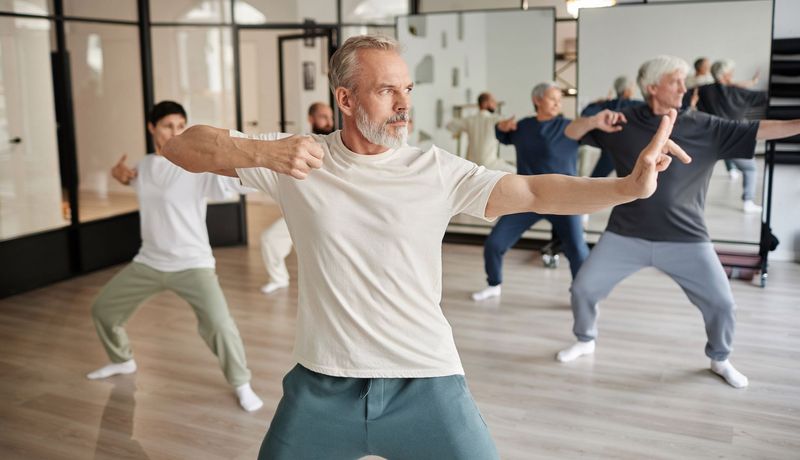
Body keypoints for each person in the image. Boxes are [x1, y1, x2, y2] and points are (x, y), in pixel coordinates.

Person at [162, 35, 690, 459]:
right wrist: (264, 150)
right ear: (345, 99)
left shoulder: (435, 171)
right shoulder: (296, 159)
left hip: (426, 379)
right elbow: (180, 146)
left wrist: (625, 188)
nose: (404, 105)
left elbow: (532, 190)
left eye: (408, 90)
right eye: (387, 90)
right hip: (321, 382)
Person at [557, 55, 800, 389]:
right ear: (652, 87)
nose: (684, 88)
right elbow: (570, 132)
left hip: (686, 237)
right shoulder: (622, 121)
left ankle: (719, 358)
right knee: (583, 288)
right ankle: (585, 339)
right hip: (625, 233)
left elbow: (758, 130)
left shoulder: (706, 126)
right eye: (676, 81)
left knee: (722, 302)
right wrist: (593, 121)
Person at [86, 101, 263, 412]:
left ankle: (241, 383)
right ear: (152, 127)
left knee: (220, 325)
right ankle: (122, 360)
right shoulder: (145, 165)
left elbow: (234, 182)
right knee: (104, 310)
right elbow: (134, 178)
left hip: (192, 263)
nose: (176, 132)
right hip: (150, 262)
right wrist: (121, 176)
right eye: (168, 125)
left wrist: (262, 163)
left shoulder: (196, 167)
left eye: (181, 125)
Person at [470, 82, 612, 302]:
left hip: (564, 201)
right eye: (552, 98)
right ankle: (494, 284)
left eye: (559, 98)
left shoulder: (569, 127)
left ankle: (583, 295)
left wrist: (596, 118)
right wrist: (501, 127)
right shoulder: (524, 127)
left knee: (577, 249)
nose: (557, 103)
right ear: (537, 100)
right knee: (494, 244)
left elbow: (591, 128)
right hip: (527, 200)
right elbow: (502, 135)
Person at [259, 102, 335, 294]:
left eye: (330, 117)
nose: (329, 122)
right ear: (311, 119)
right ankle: (279, 278)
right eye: (323, 117)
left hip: (332, 212)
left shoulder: (338, 144)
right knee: (269, 239)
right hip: (303, 209)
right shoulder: (298, 143)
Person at [697, 59, 769, 213]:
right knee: (750, 169)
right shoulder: (738, 93)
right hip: (733, 139)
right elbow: (765, 97)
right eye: (730, 73)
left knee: (701, 170)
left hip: (709, 138)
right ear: (726, 75)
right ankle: (748, 201)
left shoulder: (704, 90)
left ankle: (731, 171)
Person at [580, 76, 644, 178]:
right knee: (635, 180)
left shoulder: (605, 104)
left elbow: (585, 114)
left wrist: (596, 103)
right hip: (631, 150)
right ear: (628, 90)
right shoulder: (637, 105)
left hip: (609, 148)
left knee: (595, 180)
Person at [446, 92, 515, 172]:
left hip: (471, 166)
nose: (495, 104)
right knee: (516, 172)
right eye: (492, 101)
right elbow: (503, 125)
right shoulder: (494, 119)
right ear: (485, 104)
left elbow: (449, 125)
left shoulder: (469, 120)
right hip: (490, 165)